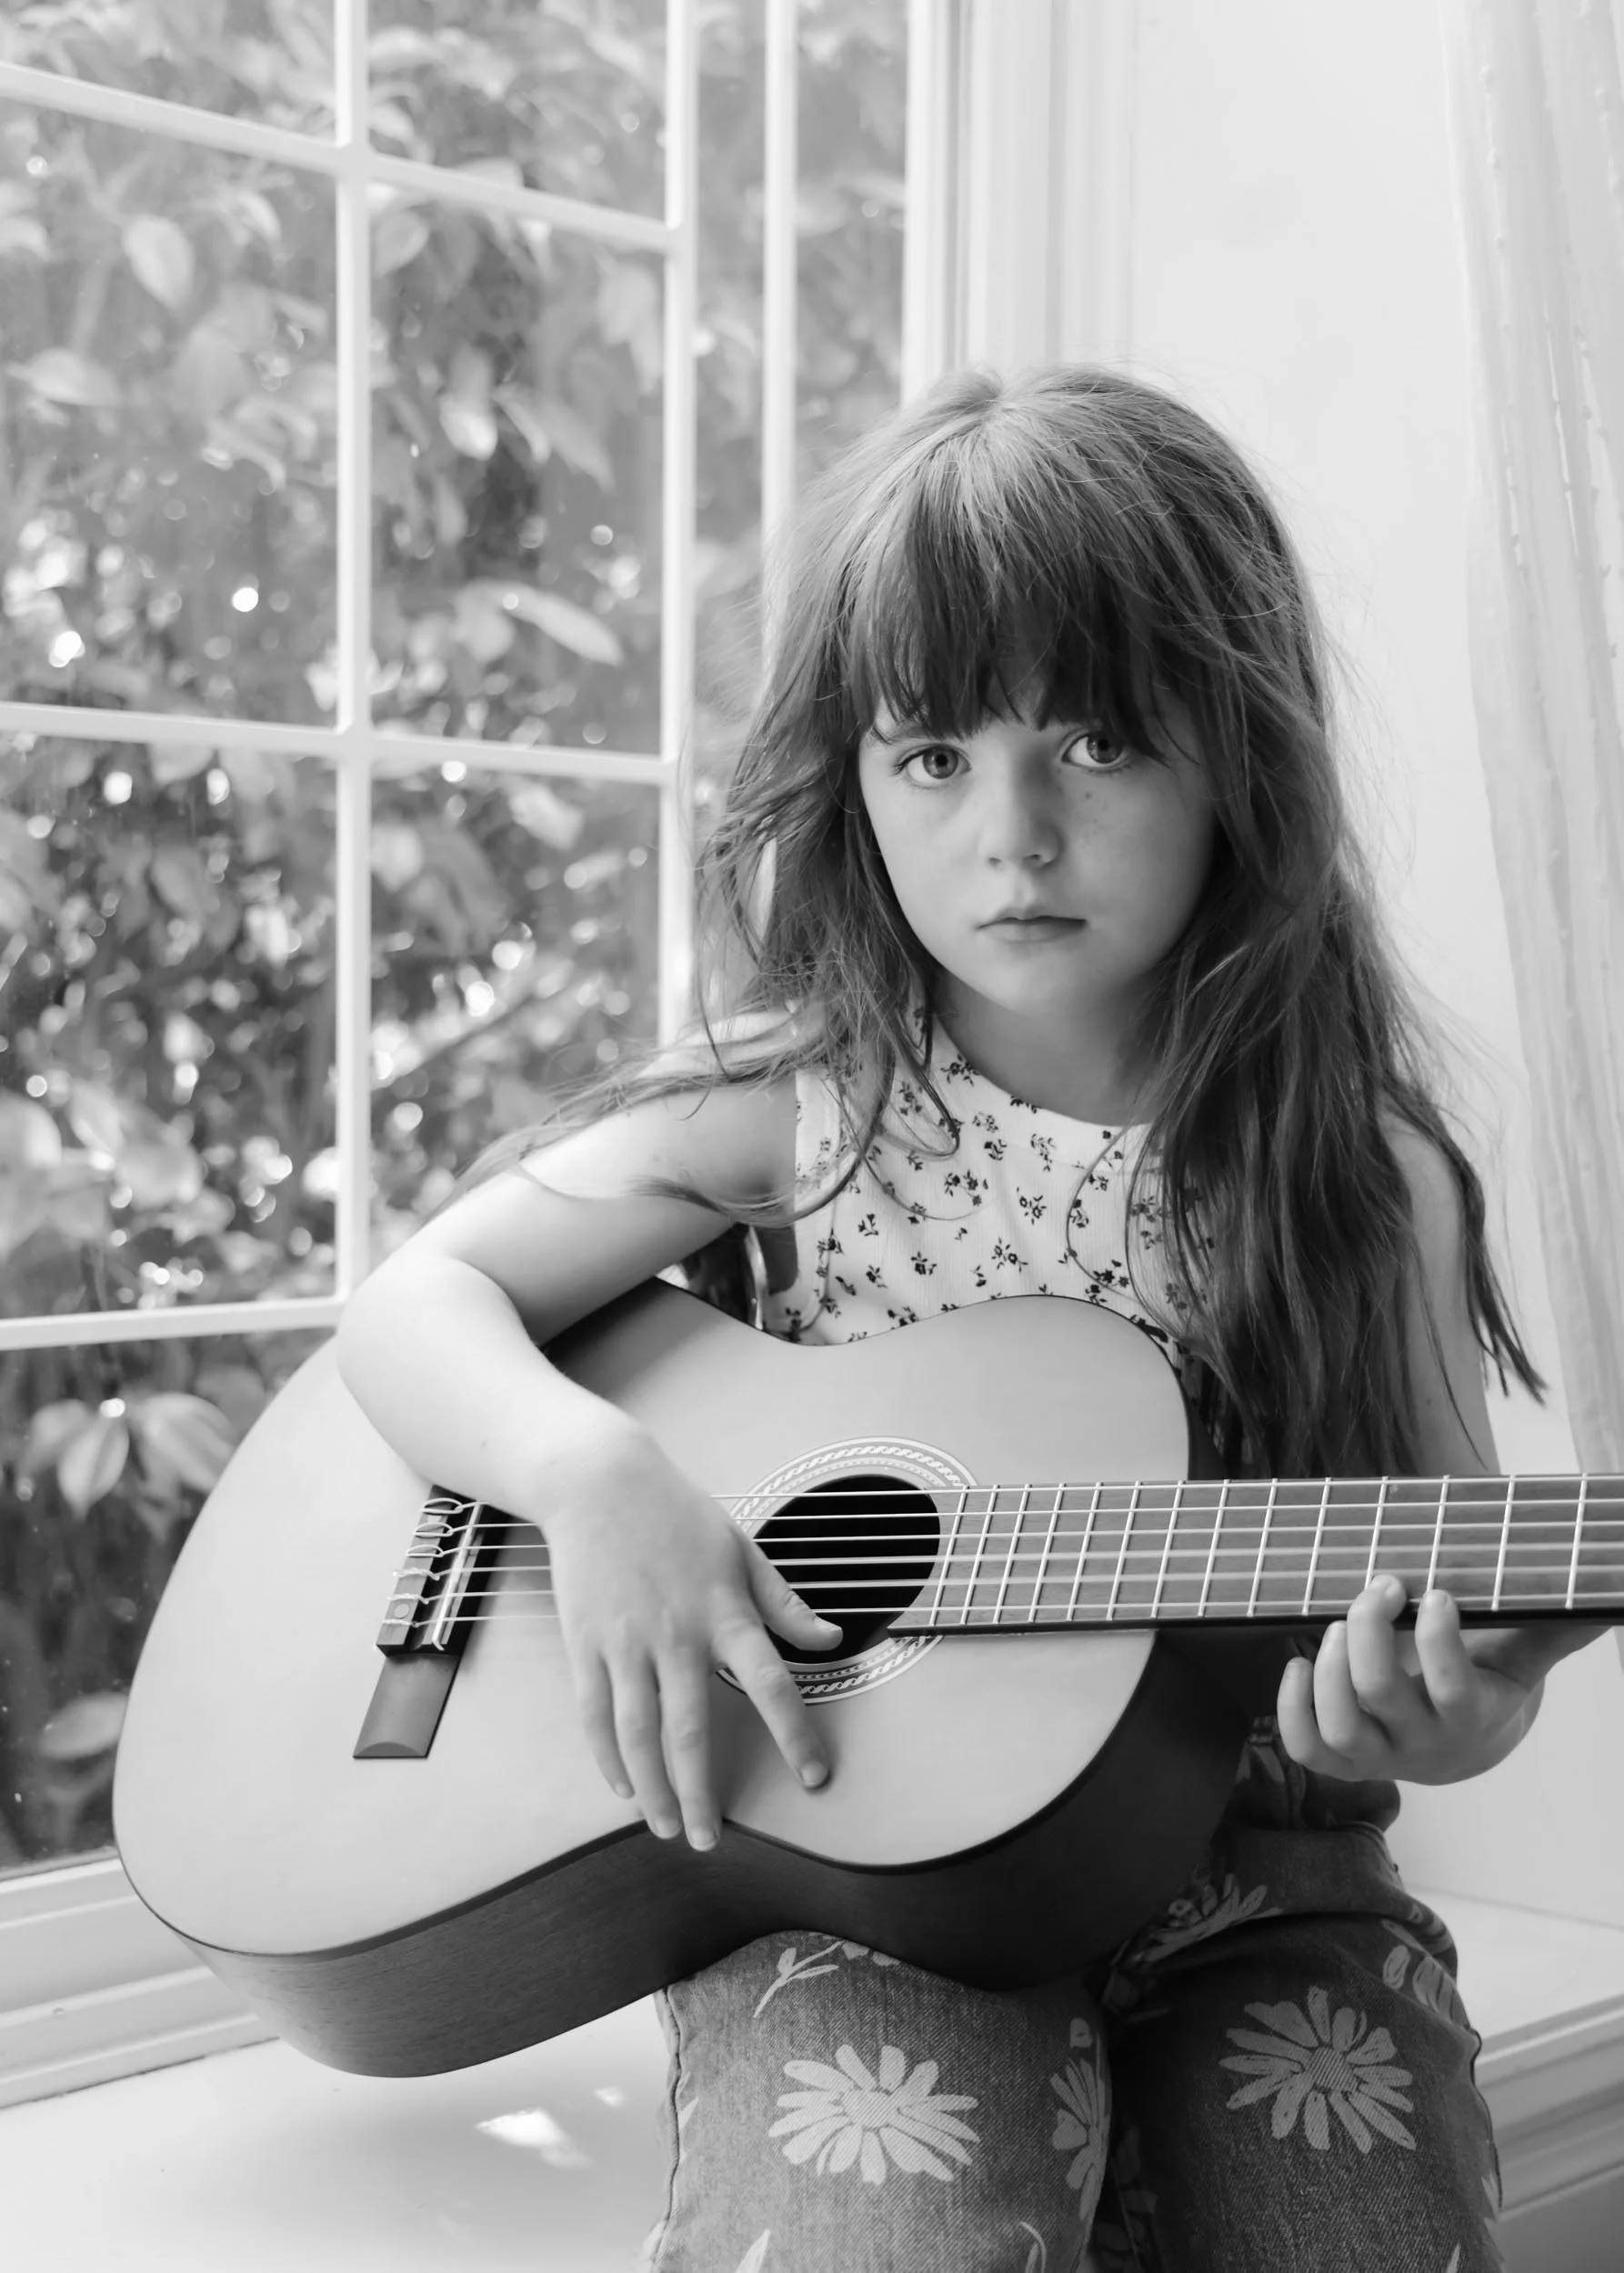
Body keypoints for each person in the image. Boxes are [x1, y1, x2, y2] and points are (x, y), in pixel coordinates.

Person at [336, 364, 1599, 2272]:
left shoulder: (1364, 1176)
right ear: (848, 780)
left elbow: (1455, 1617)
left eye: (1093, 742)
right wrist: (588, 1474)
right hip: (850, 1867)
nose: (1008, 831)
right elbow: (414, 1306)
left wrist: (1458, 1709)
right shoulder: (798, 1104)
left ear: (1234, 749)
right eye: (931, 754)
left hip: (1260, 1885)